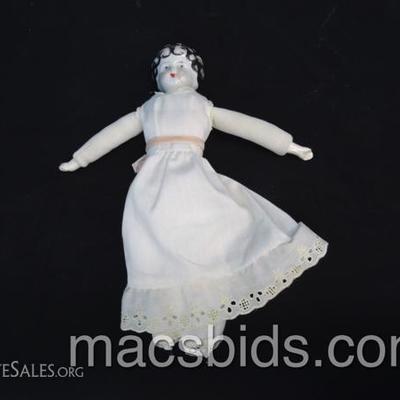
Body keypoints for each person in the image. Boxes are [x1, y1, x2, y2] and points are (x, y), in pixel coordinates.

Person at [59, 43, 328, 358]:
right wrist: (81, 158)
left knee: (208, 247)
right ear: (156, 78)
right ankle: (163, 321)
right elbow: (114, 132)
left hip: (195, 180)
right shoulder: (147, 109)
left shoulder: (202, 106)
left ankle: (205, 325)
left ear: (197, 77)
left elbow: (245, 125)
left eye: (182, 66)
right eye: (165, 67)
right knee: (152, 251)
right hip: (151, 192)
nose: (173, 71)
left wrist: (288, 145)